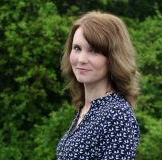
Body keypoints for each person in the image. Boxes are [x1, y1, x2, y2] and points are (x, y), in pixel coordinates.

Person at [57, 11, 140, 160]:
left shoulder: (117, 115)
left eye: (93, 51)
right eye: (77, 48)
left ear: (113, 58)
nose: (81, 59)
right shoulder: (87, 108)